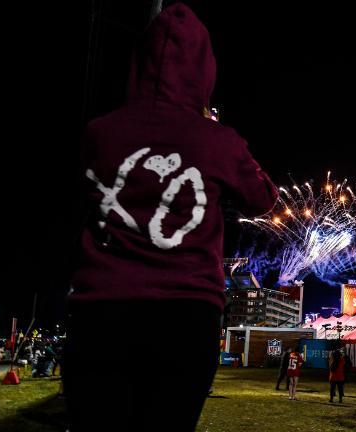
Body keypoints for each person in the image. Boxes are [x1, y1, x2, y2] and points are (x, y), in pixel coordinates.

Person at [64, 4, 277, 431]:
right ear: (204, 71)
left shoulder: (99, 132)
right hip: (186, 314)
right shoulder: (218, 141)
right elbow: (263, 199)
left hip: (100, 309)